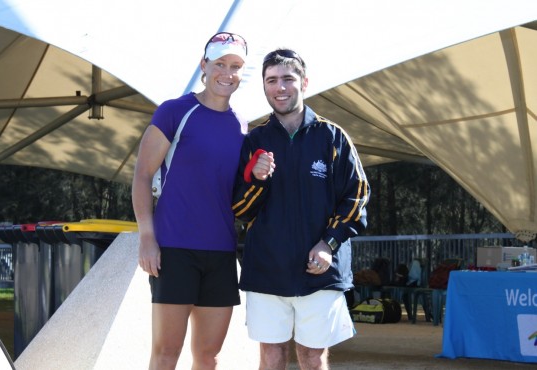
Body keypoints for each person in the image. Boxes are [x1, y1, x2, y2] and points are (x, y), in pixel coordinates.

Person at [232, 49, 370, 370]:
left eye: (287, 79)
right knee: (271, 355)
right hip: (267, 270)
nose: (280, 87)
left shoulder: (333, 137)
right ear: (264, 87)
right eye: (272, 81)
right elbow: (239, 208)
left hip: (319, 271)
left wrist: (329, 244)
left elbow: (358, 197)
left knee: (312, 356)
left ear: (304, 82)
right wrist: (258, 180)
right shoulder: (253, 141)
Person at [132, 31, 248, 370]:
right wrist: (147, 238)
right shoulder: (174, 112)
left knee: (209, 356)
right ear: (204, 65)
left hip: (222, 253)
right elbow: (141, 175)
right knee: (166, 354)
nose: (227, 73)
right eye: (220, 64)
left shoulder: (243, 126)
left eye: (236, 66)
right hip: (174, 249)